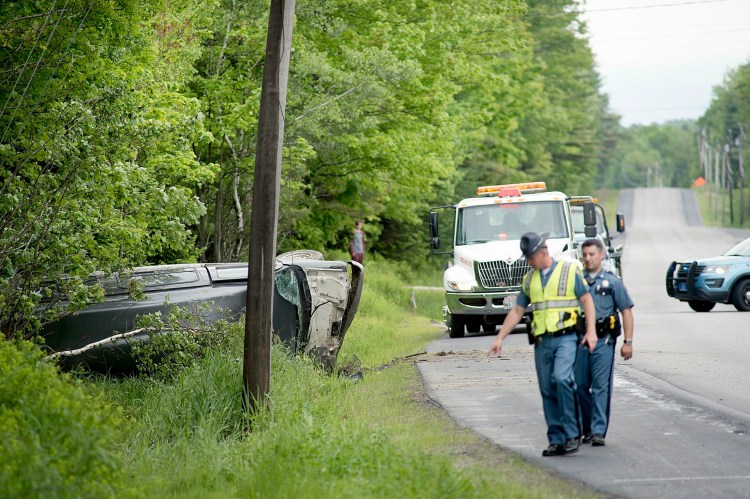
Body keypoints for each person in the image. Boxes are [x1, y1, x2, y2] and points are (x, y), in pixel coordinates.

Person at [488, 232, 598, 457]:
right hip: (542, 342)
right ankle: (556, 439)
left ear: (543, 252)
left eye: (530, 257)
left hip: (567, 338)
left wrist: (591, 331)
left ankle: (571, 434)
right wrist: (500, 338)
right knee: (547, 389)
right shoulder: (530, 279)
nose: (528, 262)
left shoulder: (569, 272)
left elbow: (587, 300)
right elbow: (518, 310)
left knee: (562, 378)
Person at [575, 238, 634, 447]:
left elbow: (626, 311)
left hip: (604, 341)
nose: (588, 258)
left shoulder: (612, 282)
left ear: (601, 255)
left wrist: (628, 342)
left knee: (600, 386)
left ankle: (599, 430)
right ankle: (587, 428)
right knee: (579, 385)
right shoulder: (578, 281)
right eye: (585, 255)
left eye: (592, 254)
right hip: (580, 341)